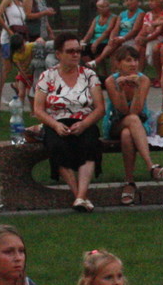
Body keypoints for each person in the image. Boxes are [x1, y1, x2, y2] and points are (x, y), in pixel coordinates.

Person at [31, 32, 107, 212]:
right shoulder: (48, 76)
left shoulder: (89, 75)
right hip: (56, 122)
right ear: (59, 54)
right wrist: (56, 125)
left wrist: (84, 124)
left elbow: (99, 108)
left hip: (84, 121)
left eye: (78, 51)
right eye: (70, 51)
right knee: (57, 146)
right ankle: (80, 196)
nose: (75, 55)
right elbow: (38, 109)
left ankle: (80, 197)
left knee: (89, 144)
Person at [106, 44, 163, 201]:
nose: (133, 64)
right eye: (128, 60)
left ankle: (129, 183)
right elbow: (122, 112)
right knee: (130, 122)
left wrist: (137, 89)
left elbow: (135, 111)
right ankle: (151, 166)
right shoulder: (110, 81)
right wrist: (120, 90)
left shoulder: (144, 80)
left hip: (139, 124)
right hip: (115, 123)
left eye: (135, 60)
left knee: (128, 134)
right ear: (118, 63)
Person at [0, 0, 27, 110]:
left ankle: (20, 91)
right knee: (6, 68)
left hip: (19, 38)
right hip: (8, 38)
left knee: (21, 66)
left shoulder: (21, 3)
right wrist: (9, 30)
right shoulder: (8, 0)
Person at [84, 0, 117, 67]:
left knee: (97, 49)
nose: (103, 9)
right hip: (93, 42)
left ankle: (98, 69)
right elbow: (90, 32)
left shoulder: (113, 18)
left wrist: (97, 42)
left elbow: (107, 32)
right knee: (83, 51)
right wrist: (83, 41)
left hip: (104, 41)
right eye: (100, 7)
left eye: (105, 6)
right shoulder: (96, 19)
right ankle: (92, 71)